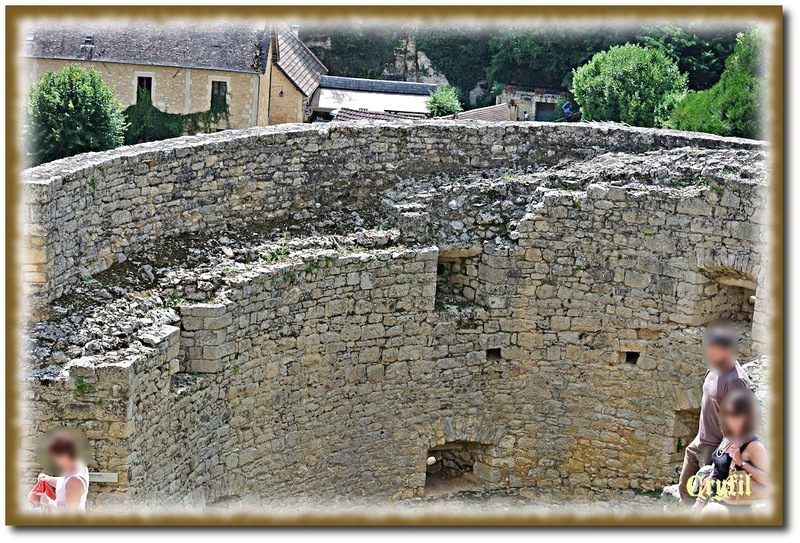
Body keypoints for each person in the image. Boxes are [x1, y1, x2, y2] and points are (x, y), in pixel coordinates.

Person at [678, 323, 751, 505]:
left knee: (708, 499)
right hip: (700, 441)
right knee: (685, 489)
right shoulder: (714, 368)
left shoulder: (736, 381)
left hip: (715, 447)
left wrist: (721, 456)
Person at [692, 390, 769, 514]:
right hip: (715, 504)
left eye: (734, 414)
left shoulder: (754, 445)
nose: (729, 418)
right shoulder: (728, 437)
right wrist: (700, 501)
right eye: (726, 413)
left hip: (736, 510)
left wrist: (741, 463)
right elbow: (715, 470)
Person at [34, 433, 89, 513]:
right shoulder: (75, 465)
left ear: (64, 455)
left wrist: (49, 502)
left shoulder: (75, 482)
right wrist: (48, 479)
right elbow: (65, 484)